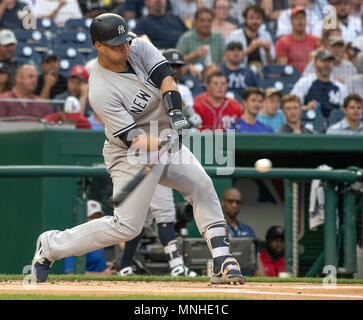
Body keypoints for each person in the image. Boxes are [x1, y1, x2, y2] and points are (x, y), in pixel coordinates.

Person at [31, 13, 245, 285]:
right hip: (130, 153)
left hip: (163, 138)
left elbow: (166, 77)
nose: (125, 48)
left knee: (202, 185)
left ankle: (222, 260)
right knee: (127, 227)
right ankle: (51, 245)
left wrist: (176, 112)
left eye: (125, 41)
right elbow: (134, 139)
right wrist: (165, 141)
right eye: (117, 44)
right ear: (98, 45)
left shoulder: (139, 47)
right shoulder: (100, 90)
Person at [64, 200, 117, 275]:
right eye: (91, 217)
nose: (96, 221)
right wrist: (102, 274)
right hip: (86, 286)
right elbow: (71, 273)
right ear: (82, 218)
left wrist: (109, 264)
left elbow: (91, 263)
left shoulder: (98, 237)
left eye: (98, 217)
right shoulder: (75, 240)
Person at [291, 50, 348, 119]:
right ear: (315, 63)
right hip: (311, 122)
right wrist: (307, 107)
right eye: (323, 61)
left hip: (336, 125)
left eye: (329, 61)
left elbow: (347, 109)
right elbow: (291, 105)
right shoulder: (305, 82)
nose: (326, 64)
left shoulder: (340, 87)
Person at [162, 48, 202, 129]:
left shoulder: (184, 89)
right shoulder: (156, 86)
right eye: (172, 66)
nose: (175, 70)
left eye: (178, 66)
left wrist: (190, 113)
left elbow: (189, 115)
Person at [226, 4, 275, 69]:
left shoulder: (266, 35)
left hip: (263, 73)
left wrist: (267, 51)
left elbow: (272, 62)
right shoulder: (235, 35)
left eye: (258, 18)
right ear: (245, 19)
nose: (254, 21)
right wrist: (249, 49)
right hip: (241, 72)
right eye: (251, 18)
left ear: (262, 20)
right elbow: (228, 59)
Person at [275, 7, 319, 74]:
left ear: (306, 20)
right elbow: (282, 69)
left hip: (312, 78)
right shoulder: (282, 42)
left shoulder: (316, 40)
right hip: (292, 79)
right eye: (297, 18)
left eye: (302, 18)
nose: (300, 21)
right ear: (291, 21)